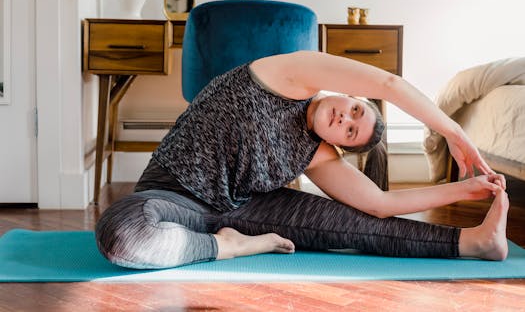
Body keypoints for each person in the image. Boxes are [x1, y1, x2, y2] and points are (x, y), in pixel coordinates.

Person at [95, 50, 509, 269]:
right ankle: (229, 249)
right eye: (356, 111)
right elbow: (389, 82)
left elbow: (381, 205)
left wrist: (467, 188)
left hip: (243, 210)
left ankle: (476, 243)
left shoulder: (319, 155)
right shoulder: (289, 76)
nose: (345, 119)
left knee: (357, 228)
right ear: (351, 95)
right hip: (173, 194)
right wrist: (454, 133)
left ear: (340, 146)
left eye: (350, 132)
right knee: (124, 235)